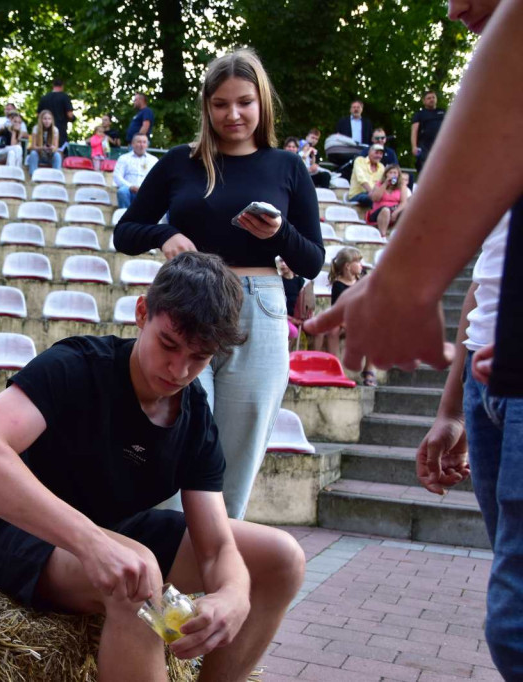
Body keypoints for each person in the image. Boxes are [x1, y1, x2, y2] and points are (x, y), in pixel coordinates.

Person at [0, 252, 306, 682]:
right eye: (169, 345)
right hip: (20, 535)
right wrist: (92, 544)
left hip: (119, 530)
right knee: (138, 577)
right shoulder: (78, 365)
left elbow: (215, 548)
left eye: (200, 356)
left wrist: (234, 593)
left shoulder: (193, 415)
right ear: (142, 313)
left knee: (283, 559)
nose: (179, 370)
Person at [305, 0, 523, 674]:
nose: (454, 8)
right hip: (494, 388)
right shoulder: (493, 142)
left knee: (516, 627)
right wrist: (453, 406)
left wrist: (404, 282)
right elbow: (489, 283)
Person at [114, 48, 324, 520]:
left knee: (239, 450)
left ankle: (213, 574)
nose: (233, 114)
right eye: (221, 104)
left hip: (260, 308)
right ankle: (157, 567)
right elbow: (125, 232)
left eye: (244, 102)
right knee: (174, 432)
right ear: (206, 108)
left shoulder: (287, 167)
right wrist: (164, 233)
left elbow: (311, 260)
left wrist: (279, 234)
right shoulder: (178, 163)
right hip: (185, 306)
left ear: (261, 103)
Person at [327, 247, 376, 385]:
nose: (362, 265)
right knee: (333, 329)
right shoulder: (338, 285)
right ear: (348, 266)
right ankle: (334, 369)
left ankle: (368, 369)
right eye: (358, 262)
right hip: (344, 321)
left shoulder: (363, 279)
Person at [112, 133, 156, 209]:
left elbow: (157, 179)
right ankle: (125, 217)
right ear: (132, 144)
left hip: (146, 191)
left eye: (144, 142)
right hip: (129, 190)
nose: (141, 145)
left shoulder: (153, 160)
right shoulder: (124, 158)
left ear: (147, 145)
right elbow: (117, 177)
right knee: (122, 192)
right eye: (139, 142)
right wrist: (131, 187)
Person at [411, 89, 446, 176]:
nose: (431, 99)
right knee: (425, 170)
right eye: (429, 98)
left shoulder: (443, 112)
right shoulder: (419, 114)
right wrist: (414, 146)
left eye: (433, 97)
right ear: (424, 101)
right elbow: (414, 131)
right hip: (424, 147)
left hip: (441, 146)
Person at [367, 163, 408, 238]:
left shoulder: (402, 186)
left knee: (406, 211)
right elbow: (375, 198)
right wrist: (385, 184)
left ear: (398, 175)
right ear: (386, 174)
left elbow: (404, 202)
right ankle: (383, 235)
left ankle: (398, 236)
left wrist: (396, 212)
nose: (392, 175)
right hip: (379, 211)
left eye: (395, 173)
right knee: (386, 210)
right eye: (390, 173)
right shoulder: (379, 184)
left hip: (394, 209)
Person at [37, 78, 74, 151]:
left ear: (53, 85)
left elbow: (38, 115)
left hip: (45, 130)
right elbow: (69, 115)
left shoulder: (44, 98)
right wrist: (73, 118)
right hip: (61, 129)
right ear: (62, 86)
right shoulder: (64, 97)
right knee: (59, 150)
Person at [26, 109, 62, 176]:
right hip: (39, 155)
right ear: (41, 120)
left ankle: (57, 176)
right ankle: (33, 175)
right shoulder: (36, 129)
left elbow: (56, 147)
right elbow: (33, 146)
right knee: (33, 153)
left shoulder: (55, 130)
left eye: (49, 119)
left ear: (52, 120)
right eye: (45, 119)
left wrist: (52, 148)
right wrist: (42, 148)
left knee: (57, 155)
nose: (47, 121)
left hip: (49, 156)